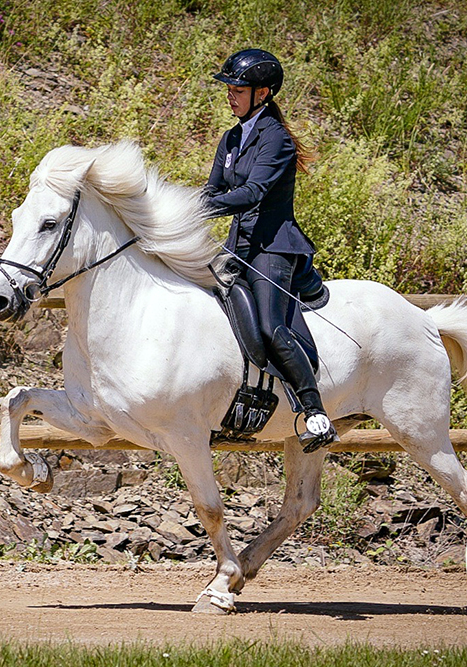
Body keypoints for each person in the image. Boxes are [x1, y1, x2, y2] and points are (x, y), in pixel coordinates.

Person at [202, 48, 337, 450]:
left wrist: (201, 206)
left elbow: (252, 193)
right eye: (229, 88)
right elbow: (214, 189)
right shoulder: (231, 138)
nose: (230, 95)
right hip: (238, 245)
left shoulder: (274, 139)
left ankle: (314, 413)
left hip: (273, 247)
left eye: (238, 89)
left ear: (262, 94)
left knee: (269, 327)